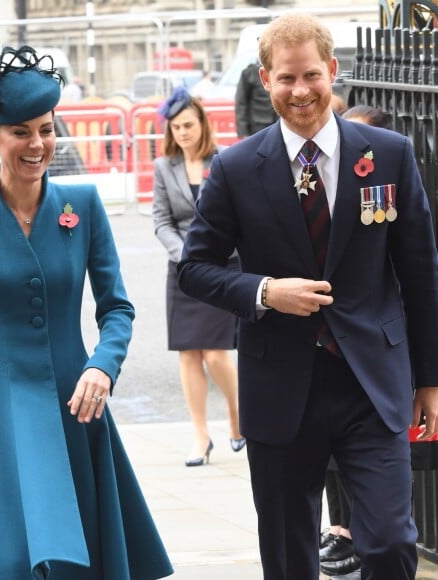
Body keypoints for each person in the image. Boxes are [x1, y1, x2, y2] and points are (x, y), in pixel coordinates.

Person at [177, 13, 438, 580]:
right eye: (285, 79)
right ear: (265, 79)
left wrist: (432, 379)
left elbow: (421, 272)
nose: (299, 92)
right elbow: (195, 270)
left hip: (371, 383)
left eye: (310, 76)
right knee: (287, 555)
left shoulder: (389, 154)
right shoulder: (233, 169)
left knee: (391, 544)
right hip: (280, 386)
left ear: (331, 70)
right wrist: (265, 291)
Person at [0, 45, 174, 580]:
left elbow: (117, 309)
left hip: (76, 408)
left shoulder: (84, 206)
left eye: (45, 129)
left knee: (75, 559)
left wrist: (102, 366)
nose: (37, 143)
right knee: (5, 557)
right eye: (21, 131)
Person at [152, 87, 244, 467]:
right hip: (182, 269)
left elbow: (238, 216)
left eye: (188, 125)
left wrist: (208, 254)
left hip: (221, 265)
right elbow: (161, 220)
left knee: (216, 353)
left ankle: (239, 420)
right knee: (188, 353)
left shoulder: (224, 160)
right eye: (176, 128)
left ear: (203, 124)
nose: (183, 134)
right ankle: (200, 435)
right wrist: (184, 255)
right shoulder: (163, 167)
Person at [318, 103, 391, 580]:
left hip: (372, 347)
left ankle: (360, 530)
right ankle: (341, 526)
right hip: (319, 347)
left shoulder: (390, 172)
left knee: (391, 533)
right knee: (326, 451)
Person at [235, 58, 277, 138]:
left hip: (277, 125)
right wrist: (243, 132)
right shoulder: (249, 73)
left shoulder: (278, 70)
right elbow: (241, 103)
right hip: (256, 127)